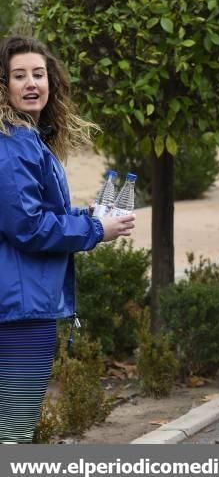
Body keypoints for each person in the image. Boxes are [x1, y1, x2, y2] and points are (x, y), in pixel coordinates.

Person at [0, 36, 136, 443]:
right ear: (2, 85)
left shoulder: (25, 140)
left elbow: (34, 215)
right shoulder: (12, 146)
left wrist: (86, 216)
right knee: (13, 429)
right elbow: (28, 227)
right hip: (20, 309)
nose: (31, 84)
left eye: (38, 74)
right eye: (18, 75)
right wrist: (95, 231)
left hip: (19, 301)